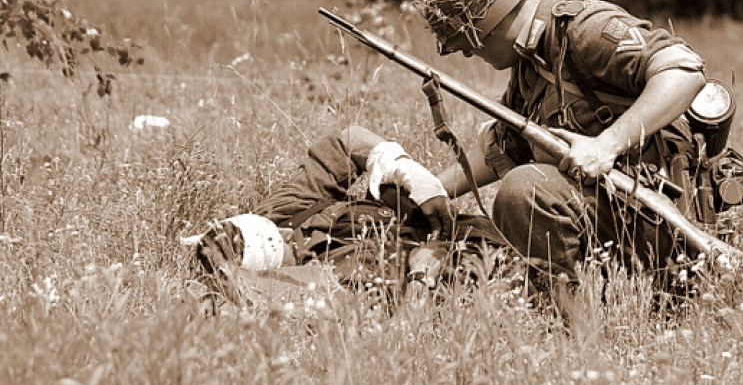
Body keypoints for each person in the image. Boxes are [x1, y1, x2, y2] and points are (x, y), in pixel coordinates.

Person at [416, 0, 733, 290]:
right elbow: (504, 150)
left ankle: (572, 331)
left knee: (525, 189)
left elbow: (684, 70)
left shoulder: (585, 28)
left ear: (488, 25)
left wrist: (606, 145)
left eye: (469, 44)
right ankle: (564, 315)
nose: (468, 55)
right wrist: (429, 191)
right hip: (617, 216)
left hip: (660, 215)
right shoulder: (532, 65)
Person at [183, 125, 505, 309]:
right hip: (484, 261)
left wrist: (399, 166)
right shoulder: (330, 277)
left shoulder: (283, 211)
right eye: (287, 244)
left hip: (477, 226)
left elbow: (346, 141)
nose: (291, 236)